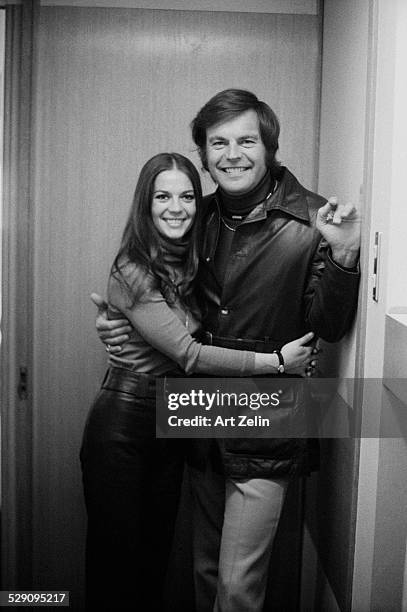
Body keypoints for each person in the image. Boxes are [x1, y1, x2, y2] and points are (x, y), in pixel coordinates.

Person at [94, 89, 361, 612]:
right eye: (219, 142)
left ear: (269, 147)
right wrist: (119, 324)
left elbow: (327, 325)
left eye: (246, 140)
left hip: (269, 413)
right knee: (207, 568)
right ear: (204, 154)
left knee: (239, 587)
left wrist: (345, 251)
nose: (232, 154)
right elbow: (161, 297)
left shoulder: (312, 219)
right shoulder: (198, 216)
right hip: (201, 413)